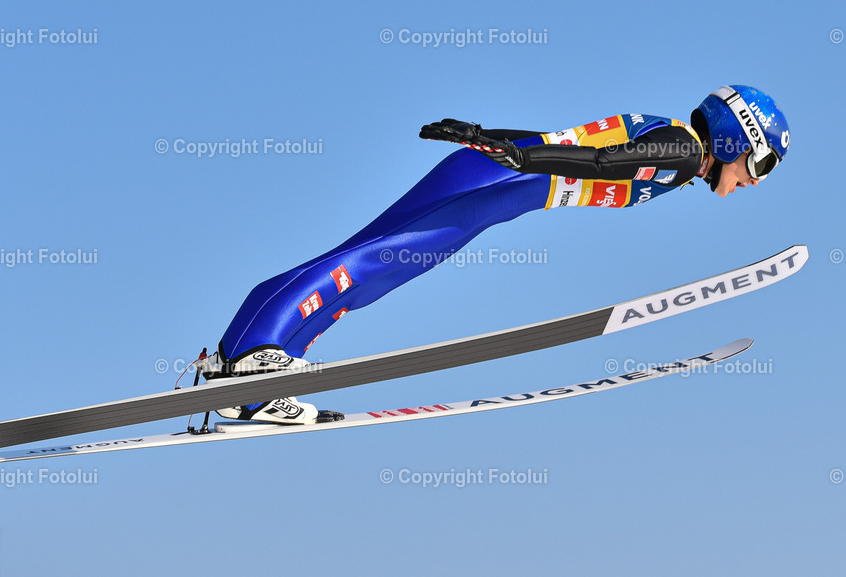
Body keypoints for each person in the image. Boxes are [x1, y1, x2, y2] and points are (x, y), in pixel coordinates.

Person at [202, 84, 791, 424]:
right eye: (760, 163)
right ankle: (253, 360)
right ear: (735, 136)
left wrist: (490, 138)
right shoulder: (682, 152)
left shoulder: (675, 145)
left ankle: (254, 370)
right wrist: (515, 157)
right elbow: (601, 162)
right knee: (374, 261)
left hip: (495, 178)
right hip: (494, 184)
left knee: (371, 266)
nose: (754, 180)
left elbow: (564, 142)